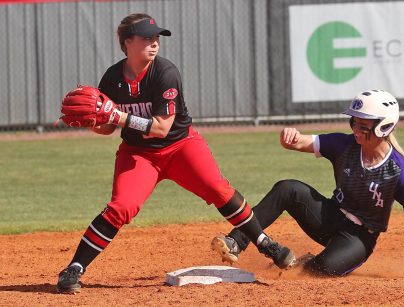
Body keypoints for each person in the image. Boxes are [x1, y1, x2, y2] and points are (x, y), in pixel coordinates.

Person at [56, 13, 295, 294]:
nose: (154, 43)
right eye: (146, 38)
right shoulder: (112, 78)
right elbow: (109, 127)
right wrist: (92, 122)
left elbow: (160, 128)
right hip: (139, 154)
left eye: (156, 37)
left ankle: (265, 242)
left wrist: (118, 116)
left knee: (218, 189)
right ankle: (74, 268)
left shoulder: (165, 73)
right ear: (127, 42)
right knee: (120, 207)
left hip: (181, 146)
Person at [212, 90, 404, 278]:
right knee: (288, 188)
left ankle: (305, 262)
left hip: (358, 239)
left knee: (321, 271)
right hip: (330, 216)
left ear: (384, 126)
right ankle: (236, 241)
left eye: (363, 125)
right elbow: (300, 143)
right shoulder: (344, 145)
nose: (356, 130)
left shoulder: (398, 172)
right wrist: (288, 137)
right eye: (354, 123)